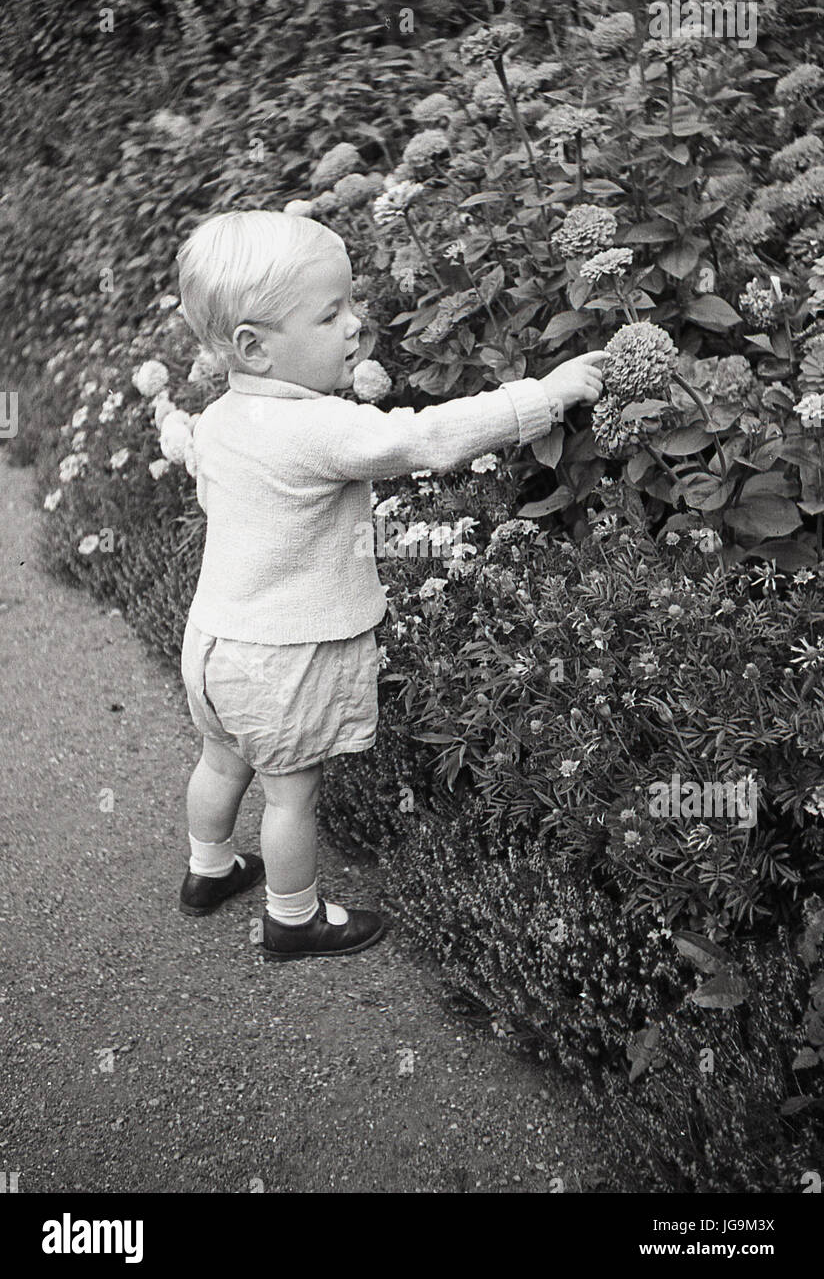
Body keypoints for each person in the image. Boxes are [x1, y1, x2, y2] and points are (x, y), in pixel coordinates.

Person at [175, 209, 605, 960]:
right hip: (282, 657)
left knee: (220, 760)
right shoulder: (322, 430)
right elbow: (426, 438)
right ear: (255, 347)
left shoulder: (217, 420)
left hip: (212, 645)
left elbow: (218, 497)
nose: (355, 326)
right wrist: (543, 395)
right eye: (331, 313)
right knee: (291, 794)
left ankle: (207, 868)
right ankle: (293, 917)